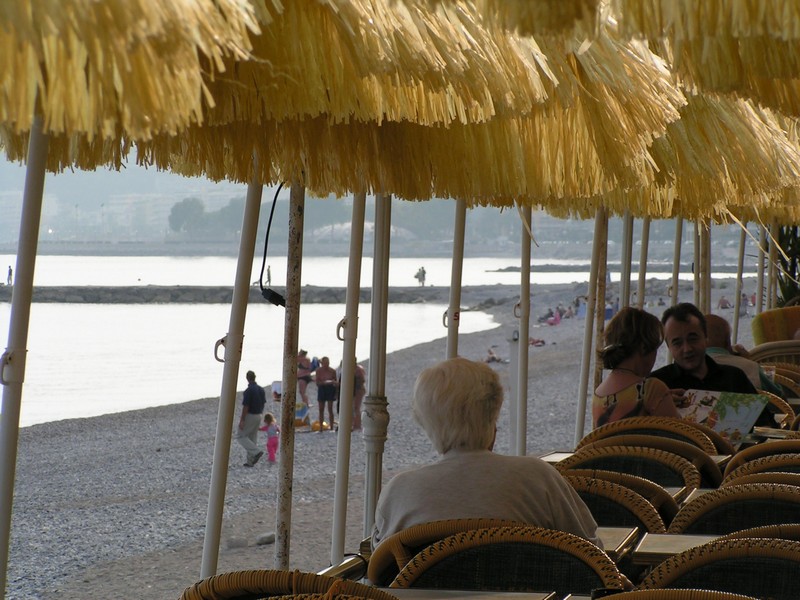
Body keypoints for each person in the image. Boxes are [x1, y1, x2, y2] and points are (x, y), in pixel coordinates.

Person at [371, 357, 600, 547]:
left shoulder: (399, 491)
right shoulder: (537, 477)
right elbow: (590, 551)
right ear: (492, 416)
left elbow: (378, 570)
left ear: (427, 424)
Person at [650, 303, 758, 405]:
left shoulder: (734, 377)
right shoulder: (656, 385)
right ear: (669, 346)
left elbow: (764, 422)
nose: (687, 349)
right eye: (677, 343)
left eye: (693, 339)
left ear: (706, 338)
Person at [593, 307, 681, 428]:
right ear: (644, 347)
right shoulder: (651, 388)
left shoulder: (598, 394)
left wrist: (664, 399)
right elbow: (678, 436)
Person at [705, 313, 785, 398]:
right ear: (728, 341)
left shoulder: (692, 368)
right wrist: (747, 361)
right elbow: (779, 398)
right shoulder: (750, 367)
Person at [237, 370, 266, 467]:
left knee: (241, 436)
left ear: (247, 378)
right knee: (252, 436)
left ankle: (256, 452)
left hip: (251, 414)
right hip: (259, 414)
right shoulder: (261, 389)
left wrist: (242, 420)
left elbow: (246, 406)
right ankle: (250, 461)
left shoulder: (248, 391)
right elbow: (263, 402)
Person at [314, 356, 338, 432]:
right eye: (325, 363)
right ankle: (321, 427)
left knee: (330, 409)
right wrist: (323, 382)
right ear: (322, 363)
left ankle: (331, 426)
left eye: (328, 363)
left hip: (330, 389)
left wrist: (336, 392)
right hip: (322, 389)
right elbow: (317, 382)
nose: (326, 364)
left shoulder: (332, 371)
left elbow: (336, 382)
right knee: (321, 409)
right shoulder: (318, 371)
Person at [352, 360, 367, 430]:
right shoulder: (354, 368)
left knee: (356, 407)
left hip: (358, 390)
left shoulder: (358, 369)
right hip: (354, 390)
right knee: (353, 407)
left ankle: (357, 425)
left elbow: (362, 380)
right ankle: (354, 423)